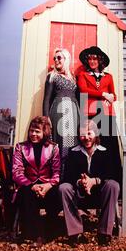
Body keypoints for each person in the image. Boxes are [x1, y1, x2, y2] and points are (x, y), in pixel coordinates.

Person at [59, 120, 119, 247]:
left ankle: (104, 233)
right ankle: (75, 233)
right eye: (82, 134)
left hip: (100, 193)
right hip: (79, 193)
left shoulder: (106, 151)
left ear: (96, 134)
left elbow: (112, 173)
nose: (86, 137)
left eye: (89, 133)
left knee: (113, 185)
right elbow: (68, 177)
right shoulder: (73, 152)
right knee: (64, 187)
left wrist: (94, 181)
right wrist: (81, 181)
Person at [12, 116, 61, 242]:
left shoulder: (54, 148)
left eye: (37, 131)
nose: (33, 134)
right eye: (31, 131)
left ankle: (50, 232)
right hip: (28, 184)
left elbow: (57, 172)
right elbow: (16, 172)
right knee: (26, 193)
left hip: (47, 185)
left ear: (45, 132)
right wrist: (31, 185)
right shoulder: (20, 147)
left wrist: (48, 185)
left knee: (56, 193)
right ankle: (30, 234)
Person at [76, 46, 121, 181]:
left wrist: (111, 97)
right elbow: (84, 90)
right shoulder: (82, 75)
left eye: (94, 58)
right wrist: (103, 94)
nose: (92, 61)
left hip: (107, 115)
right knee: (93, 146)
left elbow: (114, 95)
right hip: (90, 115)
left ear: (100, 60)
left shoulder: (108, 76)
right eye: (89, 58)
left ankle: (112, 179)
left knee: (110, 147)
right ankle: (91, 179)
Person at [43, 48, 79, 177]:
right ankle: (59, 177)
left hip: (73, 113)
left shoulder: (73, 77)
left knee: (71, 144)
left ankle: (69, 176)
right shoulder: (52, 76)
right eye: (55, 58)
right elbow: (46, 99)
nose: (56, 60)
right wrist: (46, 118)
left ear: (66, 59)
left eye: (59, 58)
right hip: (59, 112)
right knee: (60, 142)